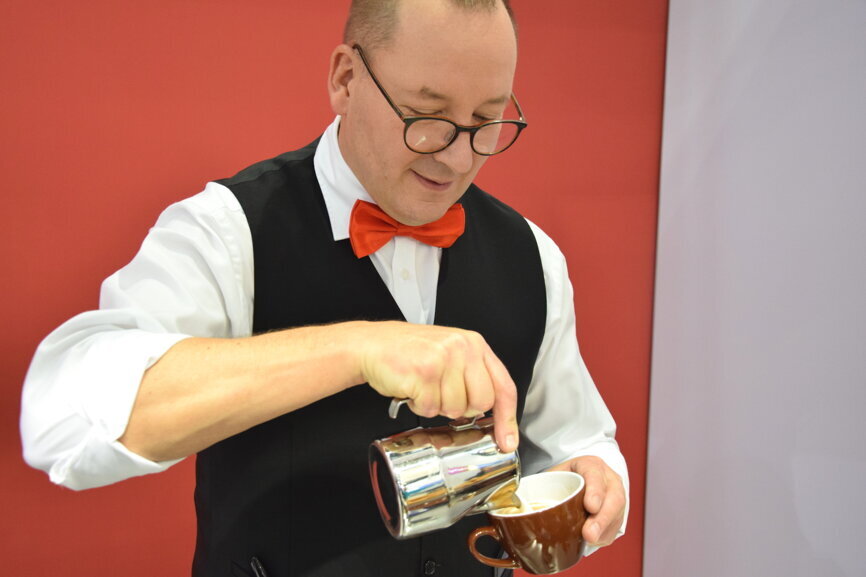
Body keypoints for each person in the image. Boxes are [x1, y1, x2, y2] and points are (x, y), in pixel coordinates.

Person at [21, 1, 628, 575]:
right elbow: (58, 425)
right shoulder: (229, 231)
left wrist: (596, 473)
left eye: (485, 121)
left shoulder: (534, 255)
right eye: (427, 116)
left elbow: (574, 435)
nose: (457, 158)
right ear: (345, 79)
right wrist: (357, 348)